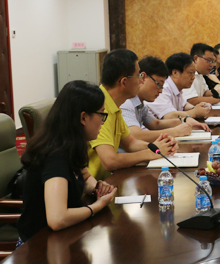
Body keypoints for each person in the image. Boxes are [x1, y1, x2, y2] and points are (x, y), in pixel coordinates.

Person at [17, 80, 118, 243]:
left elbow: (84, 177)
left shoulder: (71, 144)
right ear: (83, 117)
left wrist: (97, 187)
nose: (102, 121)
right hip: (39, 246)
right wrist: (97, 206)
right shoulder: (56, 156)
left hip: (62, 238)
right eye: (101, 114)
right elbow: (57, 219)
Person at [87, 49, 175, 181]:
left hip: (105, 183)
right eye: (138, 76)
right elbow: (110, 161)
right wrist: (149, 154)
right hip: (91, 186)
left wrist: (160, 147)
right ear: (124, 82)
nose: (141, 81)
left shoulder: (114, 104)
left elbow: (130, 143)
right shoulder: (100, 106)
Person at [120, 56, 193, 145]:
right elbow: (135, 136)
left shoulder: (140, 103)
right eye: (159, 84)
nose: (161, 91)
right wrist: (175, 131)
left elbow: (156, 124)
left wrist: (185, 120)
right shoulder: (126, 102)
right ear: (143, 78)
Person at [145, 52, 211, 129]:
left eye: (194, 73)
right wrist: (194, 112)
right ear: (175, 73)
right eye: (190, 73)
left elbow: (184, 105)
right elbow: (169, 116)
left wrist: (197, 108)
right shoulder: (163, 88)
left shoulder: (177, 87)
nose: (193, 77)